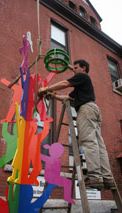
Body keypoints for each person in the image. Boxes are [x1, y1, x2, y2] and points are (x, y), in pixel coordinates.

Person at [38, 59, 115, 190]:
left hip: (86, 110)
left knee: (88, 142)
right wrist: (53, 95)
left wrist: (46, 88)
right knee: (98, 144)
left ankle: (95, 177)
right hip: (94, 110)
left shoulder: (82, 76)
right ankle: (107, 179)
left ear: (83, 68)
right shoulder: (82, 85)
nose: (73, 70)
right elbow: (69, 98)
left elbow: (65, 83)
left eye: (76, 67)